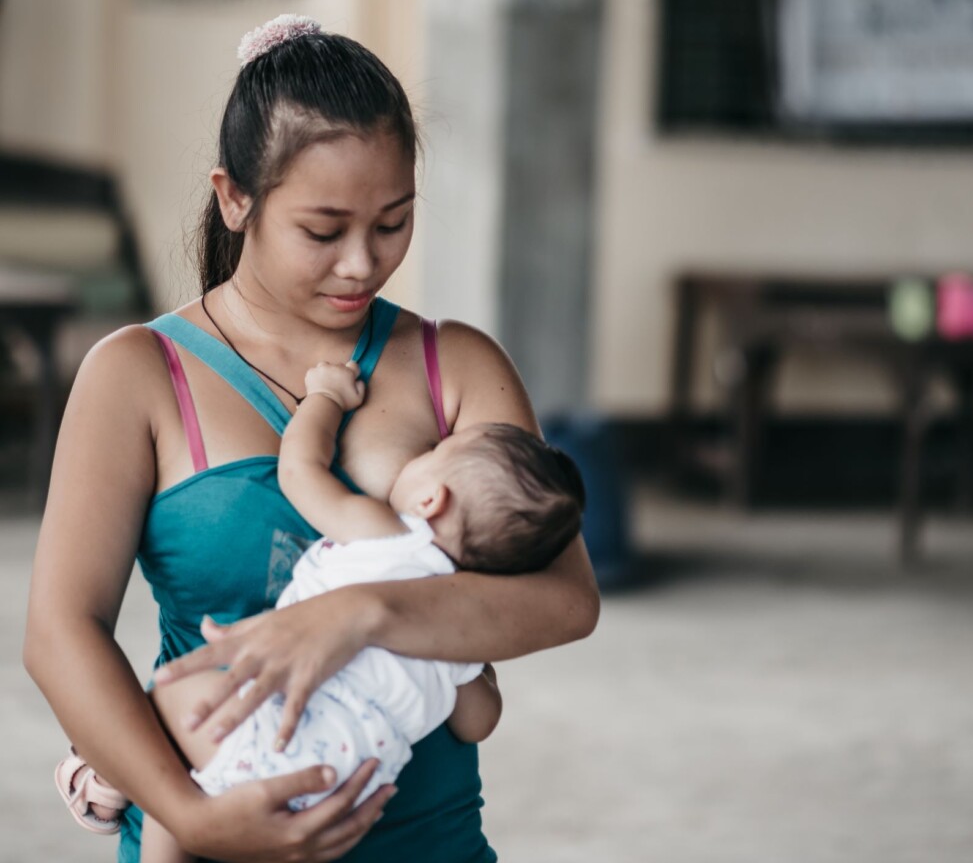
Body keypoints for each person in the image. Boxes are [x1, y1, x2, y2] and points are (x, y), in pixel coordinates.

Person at [24, 14, 600, 863]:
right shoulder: (140, 373)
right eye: (324, 232)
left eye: (394, 223)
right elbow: (60, 631)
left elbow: (564, 599)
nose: (363, 264)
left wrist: (359, 614)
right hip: (206, 824)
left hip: (425, 842)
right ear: (235, 198)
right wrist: (190, 816)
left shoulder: (457, 364)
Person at [58, 357, 584, 863]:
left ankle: (120, 791)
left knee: (170, 708)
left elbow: (301, 472)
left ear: (431, 501)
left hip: (287, 731)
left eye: (426, 455)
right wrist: (477, 669)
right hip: (350, 787)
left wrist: (325, 399)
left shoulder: (388, 533)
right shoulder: (458, 622)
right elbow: (478, 722)